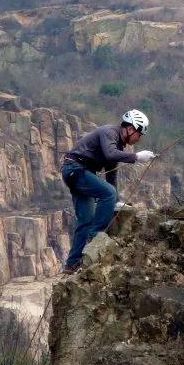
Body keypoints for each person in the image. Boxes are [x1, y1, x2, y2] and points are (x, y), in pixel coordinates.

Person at [60, 109, 156, 272]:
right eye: (139, 134)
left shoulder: (117, 144)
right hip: (76, 169)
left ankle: (71, 264)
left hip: (78, 173)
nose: (139, 138)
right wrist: (137, 157)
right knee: (108, 193)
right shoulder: (109, 132)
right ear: (131, 128)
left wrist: (117, 200)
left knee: (86, 220)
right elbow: (110, 155)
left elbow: (112, 175)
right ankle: (95, 238)